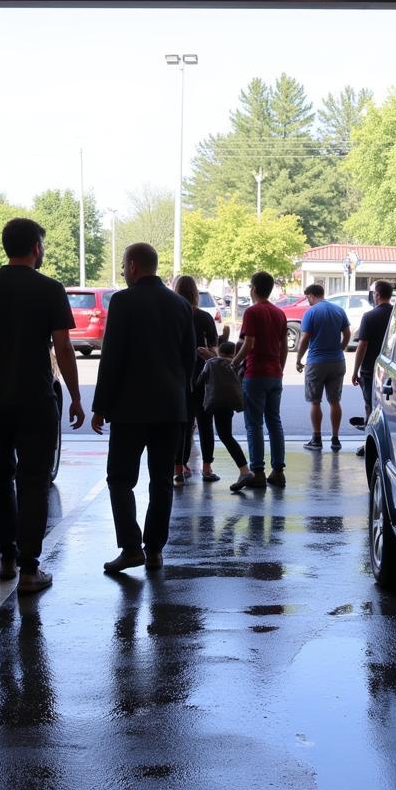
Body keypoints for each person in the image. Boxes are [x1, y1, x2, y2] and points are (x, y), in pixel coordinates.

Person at [0, 217, 85, 594]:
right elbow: (63, 347)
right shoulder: (49, 289)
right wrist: (75, 397)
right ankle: (30, 569)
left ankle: (7, 558)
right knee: (33, 481)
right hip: (34, 399)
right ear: (36, 248)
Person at [91, 243, 195, 573]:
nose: (123, 272)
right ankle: (155, 550)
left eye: (123, 266)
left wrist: (100, 405)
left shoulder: (122, 301)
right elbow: (189, 357)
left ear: (134, 266)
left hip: (129, 409)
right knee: (161, 480)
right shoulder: (180, 304)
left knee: (120, 478)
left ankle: (131, 547)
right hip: (170, 408)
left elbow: (112, 358)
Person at [230, 270, 288, 491]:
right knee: (274, 421)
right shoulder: (279, 313)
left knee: (254, 424)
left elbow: (249, 344)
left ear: (253, 289)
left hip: (255, 374)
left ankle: (258, 471)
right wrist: (280, 369)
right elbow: (283, 346)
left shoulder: (252, 312)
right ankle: (278, 471)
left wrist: (233, 363)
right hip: (275, 374)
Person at [172, 275, 219, 484]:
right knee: (205, 423)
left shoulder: (171, 315)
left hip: (179, 376)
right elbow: (215, 351)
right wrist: (207, 352)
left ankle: (179, 469)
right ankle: (207, 469)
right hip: (202, 376)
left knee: (182, 424)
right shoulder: (204, 317)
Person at [295, 284, 350, 452]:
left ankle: (316, 439)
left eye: (307, 298)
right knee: (335, 401)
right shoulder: (338, 310)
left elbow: (305, 338)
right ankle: (335, 439)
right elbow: (347, 334)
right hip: (337, 361)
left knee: (315, 401)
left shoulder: (310, 313)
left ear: (311, 296)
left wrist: (298, 359)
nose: (308, 302)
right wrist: (340, 349)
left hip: (316, 362)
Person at [197, 339, 250, 486]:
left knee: (208, 431)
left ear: (219, 352)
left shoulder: (210, 363)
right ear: (233, 353)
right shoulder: (235, 365)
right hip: (228, 405)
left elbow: (200, 381)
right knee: (226, 436)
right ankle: (244, 469)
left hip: (212, 402)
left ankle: (245, 471)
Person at [351, 280, 394, 457]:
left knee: (370, 406)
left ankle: (370, 444)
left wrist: (355, 371)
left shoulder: (369, 317)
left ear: (376, 294)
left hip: (370, 369)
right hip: (392, 369)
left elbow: (362, 345)